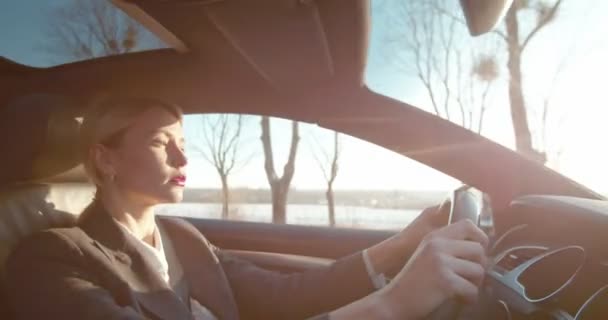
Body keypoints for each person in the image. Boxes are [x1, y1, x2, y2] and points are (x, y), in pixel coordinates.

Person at [5, 96, 489, 320]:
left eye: (182, 142)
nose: (182, 158)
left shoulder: (183, 238)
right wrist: (389, 306)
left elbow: (286, 295)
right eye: (159, 142)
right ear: (104, 158)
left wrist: (400, 246)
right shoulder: (49, 260)